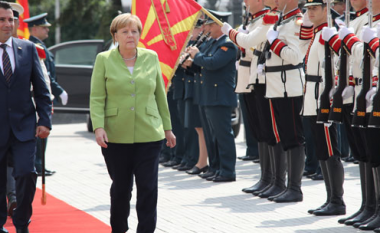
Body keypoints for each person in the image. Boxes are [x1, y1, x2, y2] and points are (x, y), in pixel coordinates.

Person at [90, 13, 175, 233]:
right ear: (115, 35)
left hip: (150, 134)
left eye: (134, 31)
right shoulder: (104, 59)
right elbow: (97, 97)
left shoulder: (151, 57)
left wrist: (167, 129)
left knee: (148, 188)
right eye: (125, 31)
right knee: (121, 189)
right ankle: (119, 229)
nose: (130, 35)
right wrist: (99, 127)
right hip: (115, 135)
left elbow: (159, 94)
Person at [0, 1, 52, 232]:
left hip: (24, 127)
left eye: (11, 19)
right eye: (2, 20)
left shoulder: (28, 49)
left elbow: (41, 89)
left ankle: (22, 221)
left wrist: (45, 121)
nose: (7, 24)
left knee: (26, 174)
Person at [300, 0, 345, 216]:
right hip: (312, 95)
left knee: (330, 149)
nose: (310, 12)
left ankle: (337, 200)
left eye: (315, 8)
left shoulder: (329, 32)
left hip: (323, 96)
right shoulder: (318, 32)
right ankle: (330, 198)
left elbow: (340, 58)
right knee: (321, 150)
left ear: (327, 10)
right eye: (308, 9)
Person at [188, 10, 238, 182]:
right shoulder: (211, 43)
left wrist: (197, 56)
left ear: (219, 25)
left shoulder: (227, 44)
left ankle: (227, 170)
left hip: (220, 96)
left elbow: (213, 63)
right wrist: (190, 63)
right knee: (211, 135)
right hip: (208, 95)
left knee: (222, 135)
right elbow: (201, 67)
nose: (206, 28)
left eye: (209, 24)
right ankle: (216, 167)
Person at [23, 13, 66, 176]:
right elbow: (44, 75)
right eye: (43, 28)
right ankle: (38, 164)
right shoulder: (33, 47)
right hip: (38, 96)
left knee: (43, 131)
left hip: (45, 94)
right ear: (34, 29)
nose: (47, 31)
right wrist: (59, 90)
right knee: (40, 131)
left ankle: (40, 164)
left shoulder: (39, 45)